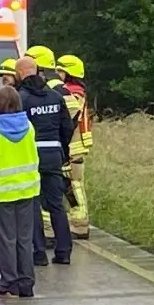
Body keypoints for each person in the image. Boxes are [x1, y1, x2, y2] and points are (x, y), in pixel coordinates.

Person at [0, 85, 40, 299]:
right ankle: (26, 284)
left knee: (6, 239)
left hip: (2, 192)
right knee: (24, 238)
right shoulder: (29, 127)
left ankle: (9, 284)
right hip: (27, 189)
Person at [15, 56, 76, 267]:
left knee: (33, 204)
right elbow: (67, 127)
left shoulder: (21, 98)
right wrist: (62, 149)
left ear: (20, 74)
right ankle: (64, 251)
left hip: (31, 156)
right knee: (57, 204)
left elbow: (17, 131)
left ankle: (39, 253)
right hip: (53, 154)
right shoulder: (55, 96)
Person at [57, 54, 93, 239]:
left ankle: (80, 225)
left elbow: (69, 119)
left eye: (60, 71)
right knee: (71, 184)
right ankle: (79, 223)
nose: (58, 74)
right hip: (74, 147)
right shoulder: (76, 90)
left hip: (74, 148)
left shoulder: (73, 93)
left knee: (74, 185)